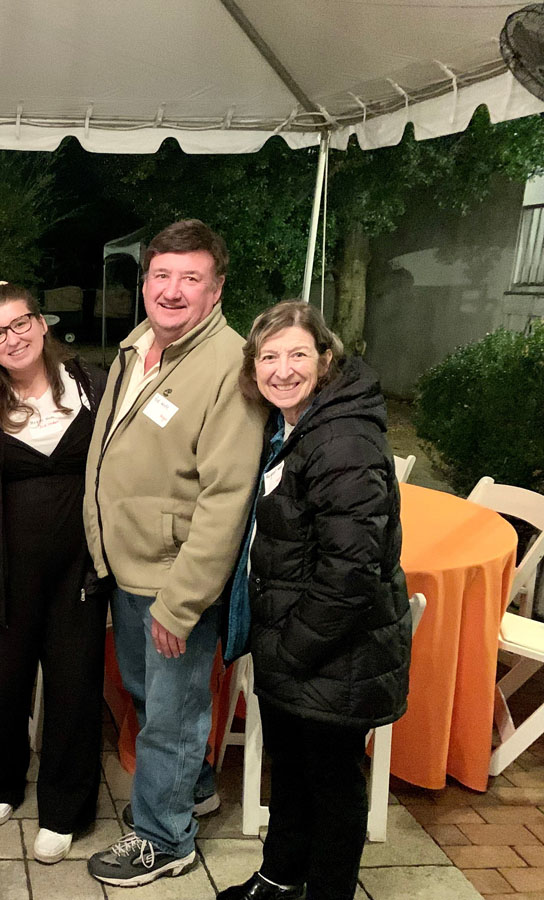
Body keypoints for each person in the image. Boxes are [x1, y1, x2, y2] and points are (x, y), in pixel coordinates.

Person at [83, 219, 266, 888]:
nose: (172, 290)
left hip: (173, 577)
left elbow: (226, 499)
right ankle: (194, 787)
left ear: (216, 290)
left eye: (191, 278)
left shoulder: (228, 366)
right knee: (148, 694)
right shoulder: (140, 346)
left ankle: (165, 840)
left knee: (170, 714)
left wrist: (182, 601)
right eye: (162, 275)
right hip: (128, 566)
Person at [216, 300, 411, 900]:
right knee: (293, 774)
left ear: (326, 360)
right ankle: (279, 877)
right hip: (295, 647)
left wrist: (292, 650)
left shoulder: (343, 438)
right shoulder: (293, 426)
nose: (283, 369)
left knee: (332, 787)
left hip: (331, 652)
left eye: (298, 354)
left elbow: (350, 572)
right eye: (269, 356)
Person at [0, 282, 109, 864]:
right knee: (1, 683)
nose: (12, 338)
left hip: (79, 570)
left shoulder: (91, 385)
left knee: (73, 687)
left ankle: (65, 809)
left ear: (41, 323)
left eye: (20, 324)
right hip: (3, 571)